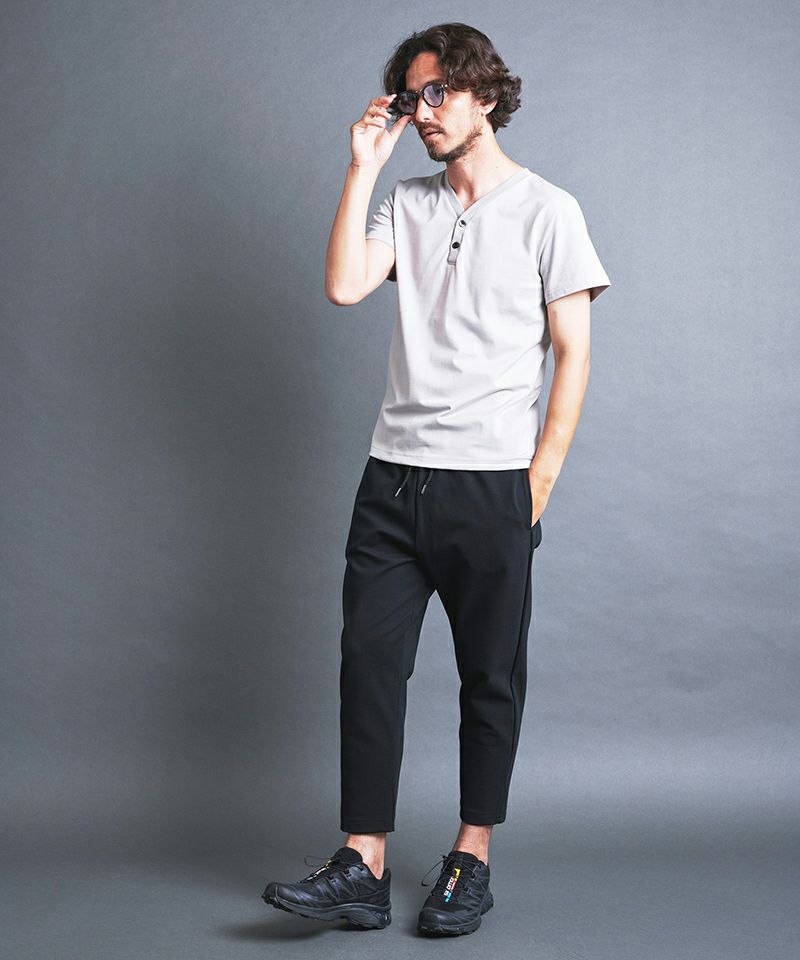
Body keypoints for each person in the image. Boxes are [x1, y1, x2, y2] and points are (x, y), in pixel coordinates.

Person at [263, 22, 611, 937]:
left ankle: (471, 857)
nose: (423, 112)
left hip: (491, 485)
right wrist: (361, 168)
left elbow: (573, 354)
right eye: (412, 96)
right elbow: (345, 286)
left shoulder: (549, 210)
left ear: (485, 95)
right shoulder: (405, 202)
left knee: (489, 678)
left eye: (439, 93)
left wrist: (536, 483)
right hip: (392, 483)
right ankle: (363, 863)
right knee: (369, 667)